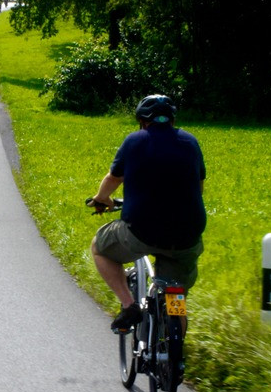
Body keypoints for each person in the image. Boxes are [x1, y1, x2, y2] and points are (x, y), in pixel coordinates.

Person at [88, 95, 206, 334]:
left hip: (142, 232)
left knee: (99, 247)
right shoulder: (190, 142)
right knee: (177, 301)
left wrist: (101, 200)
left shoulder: (136, 140)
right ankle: (175, 361)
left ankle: (129, 305)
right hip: (187, 236)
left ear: (142, 121)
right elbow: (199, 185)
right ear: (172, 120)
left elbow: (113, 178)